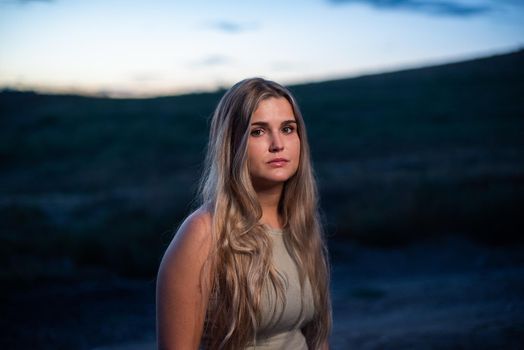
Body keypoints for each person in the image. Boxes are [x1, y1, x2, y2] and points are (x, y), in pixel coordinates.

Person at [156, 77, 332, 349]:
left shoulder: (302, 224)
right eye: (258, 131)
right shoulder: (204, 233)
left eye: (287, 128)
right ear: (231, 143)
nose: (277, 144)